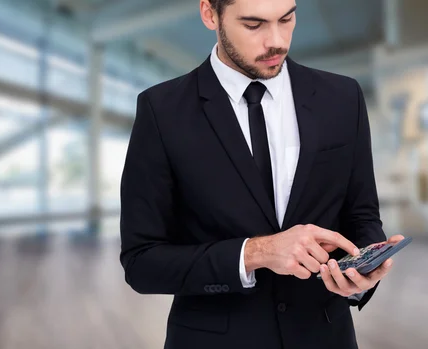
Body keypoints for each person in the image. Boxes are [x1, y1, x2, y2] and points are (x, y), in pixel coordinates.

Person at [119, 0, 404, 348]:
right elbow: (141, 261)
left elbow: (362, 215)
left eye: (287, 19)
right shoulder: (161, 111)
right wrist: (257, 252)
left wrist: (360, 272)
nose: (277, 41)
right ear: (210, 14)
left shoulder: (342, 98)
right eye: (254, 25)